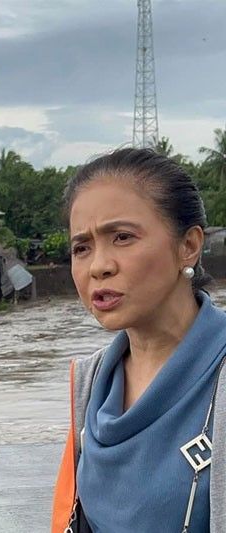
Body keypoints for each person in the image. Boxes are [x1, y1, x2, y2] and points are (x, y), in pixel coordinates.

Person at [51, 148, 226, 532]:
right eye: (82, 247)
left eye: (123, 237)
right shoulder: (90, 384)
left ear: (188, 246)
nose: (99, 266)